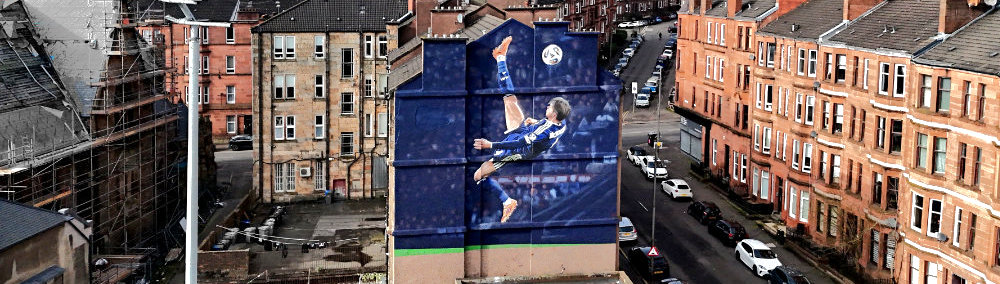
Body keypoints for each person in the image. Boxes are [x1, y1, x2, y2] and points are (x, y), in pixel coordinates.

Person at [472, 36, 573, 223]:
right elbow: (548, 128)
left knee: (479, 174)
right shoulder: (560, 121)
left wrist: (490, 145)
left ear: (554, 114)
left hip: (520, 150)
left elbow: (519, 143)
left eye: (549, 107)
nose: (546, 107)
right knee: (509, 98)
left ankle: (507, 201)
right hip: (526, 133)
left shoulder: (544, 130)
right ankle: (501, 58)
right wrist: (534, 122)